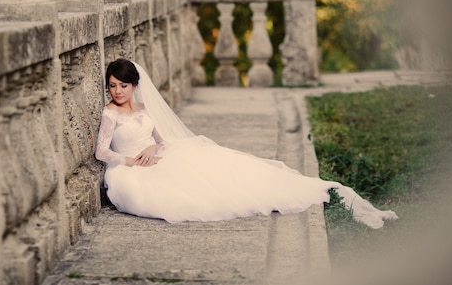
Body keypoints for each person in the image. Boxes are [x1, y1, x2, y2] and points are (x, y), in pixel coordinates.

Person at [95, 58, 398, 228]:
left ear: (135, 86)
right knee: (181, 197)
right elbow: (102, 151)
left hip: (154, 157)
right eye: (112, 86)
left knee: (222, 170)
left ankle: (319, 190)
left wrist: (151, 148)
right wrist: (131, 160)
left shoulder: (145, 109)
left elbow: (160, 140)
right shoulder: (110, 113)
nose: (118, 91)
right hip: (128, 170)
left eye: (123, 85)